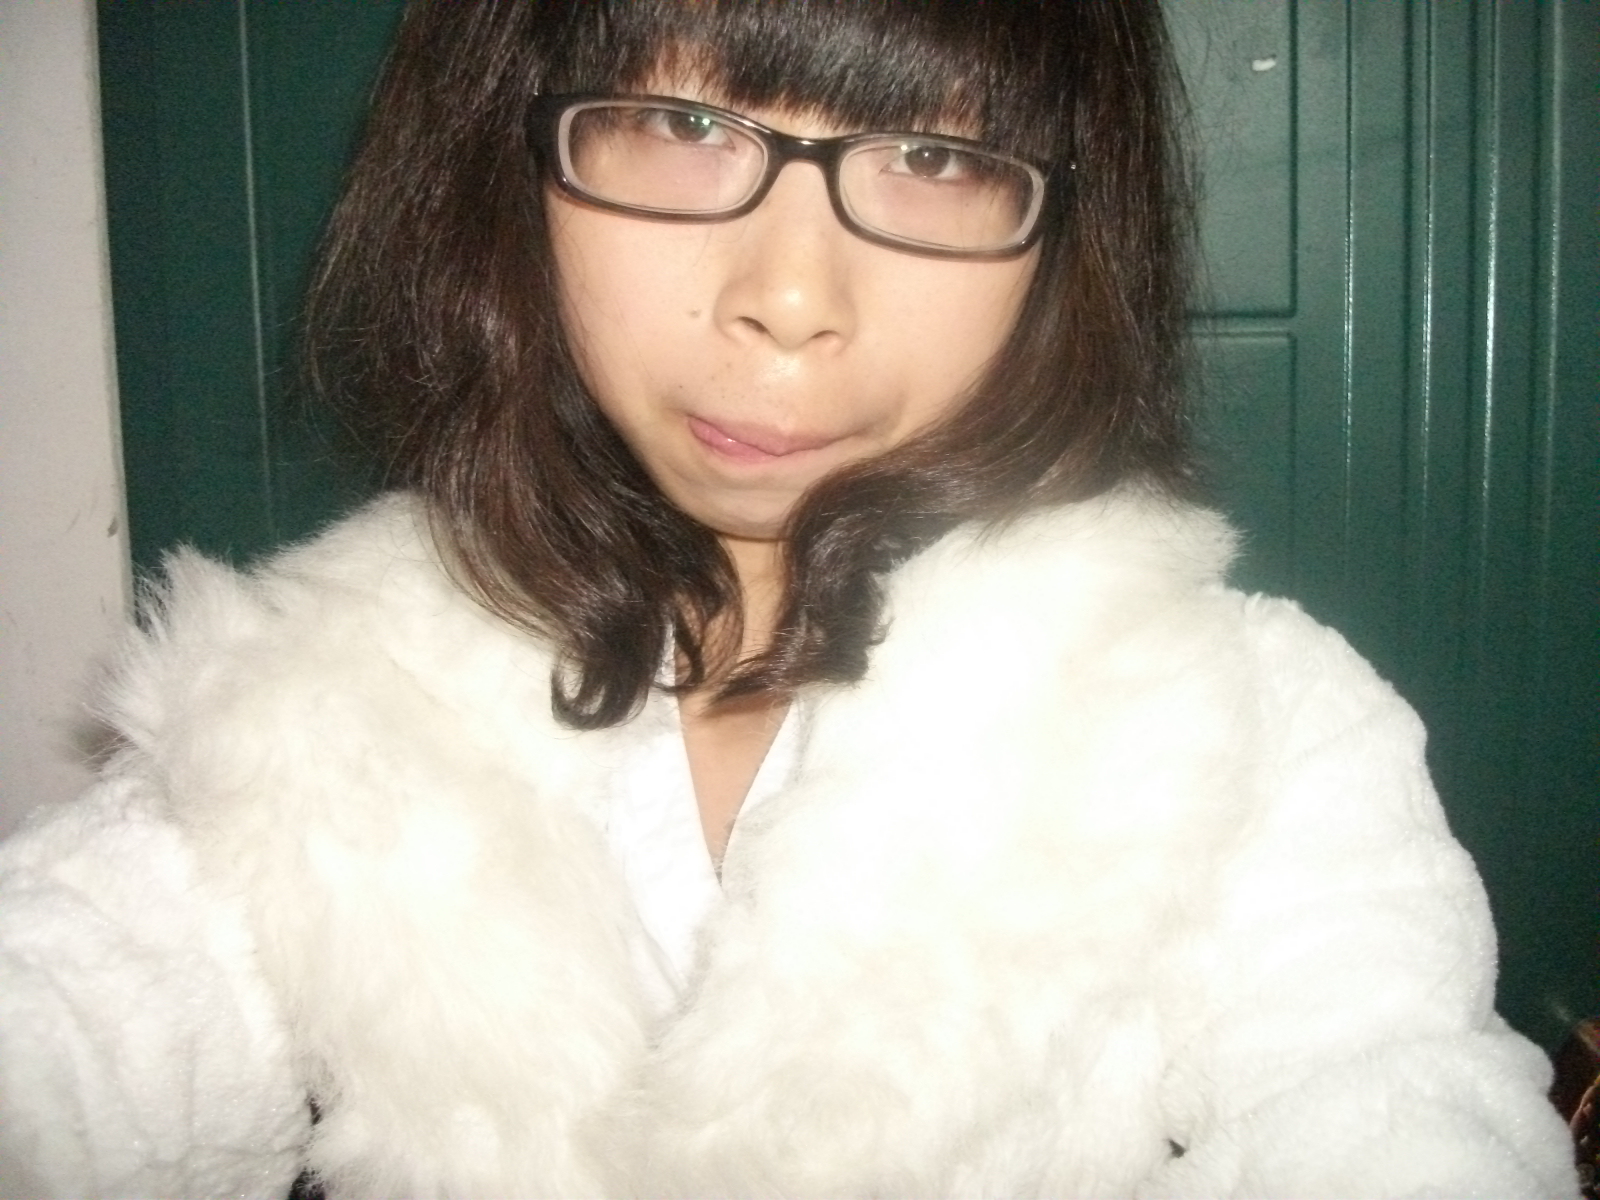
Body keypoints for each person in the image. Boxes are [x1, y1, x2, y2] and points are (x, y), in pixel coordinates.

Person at [0, 2, 1578, 1197]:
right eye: (682, 124)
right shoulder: (312, 710)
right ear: (514, 166)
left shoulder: (1248, 730)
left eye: (937, 158)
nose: (791, 300)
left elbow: (1378, 1103)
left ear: (1062, 235)